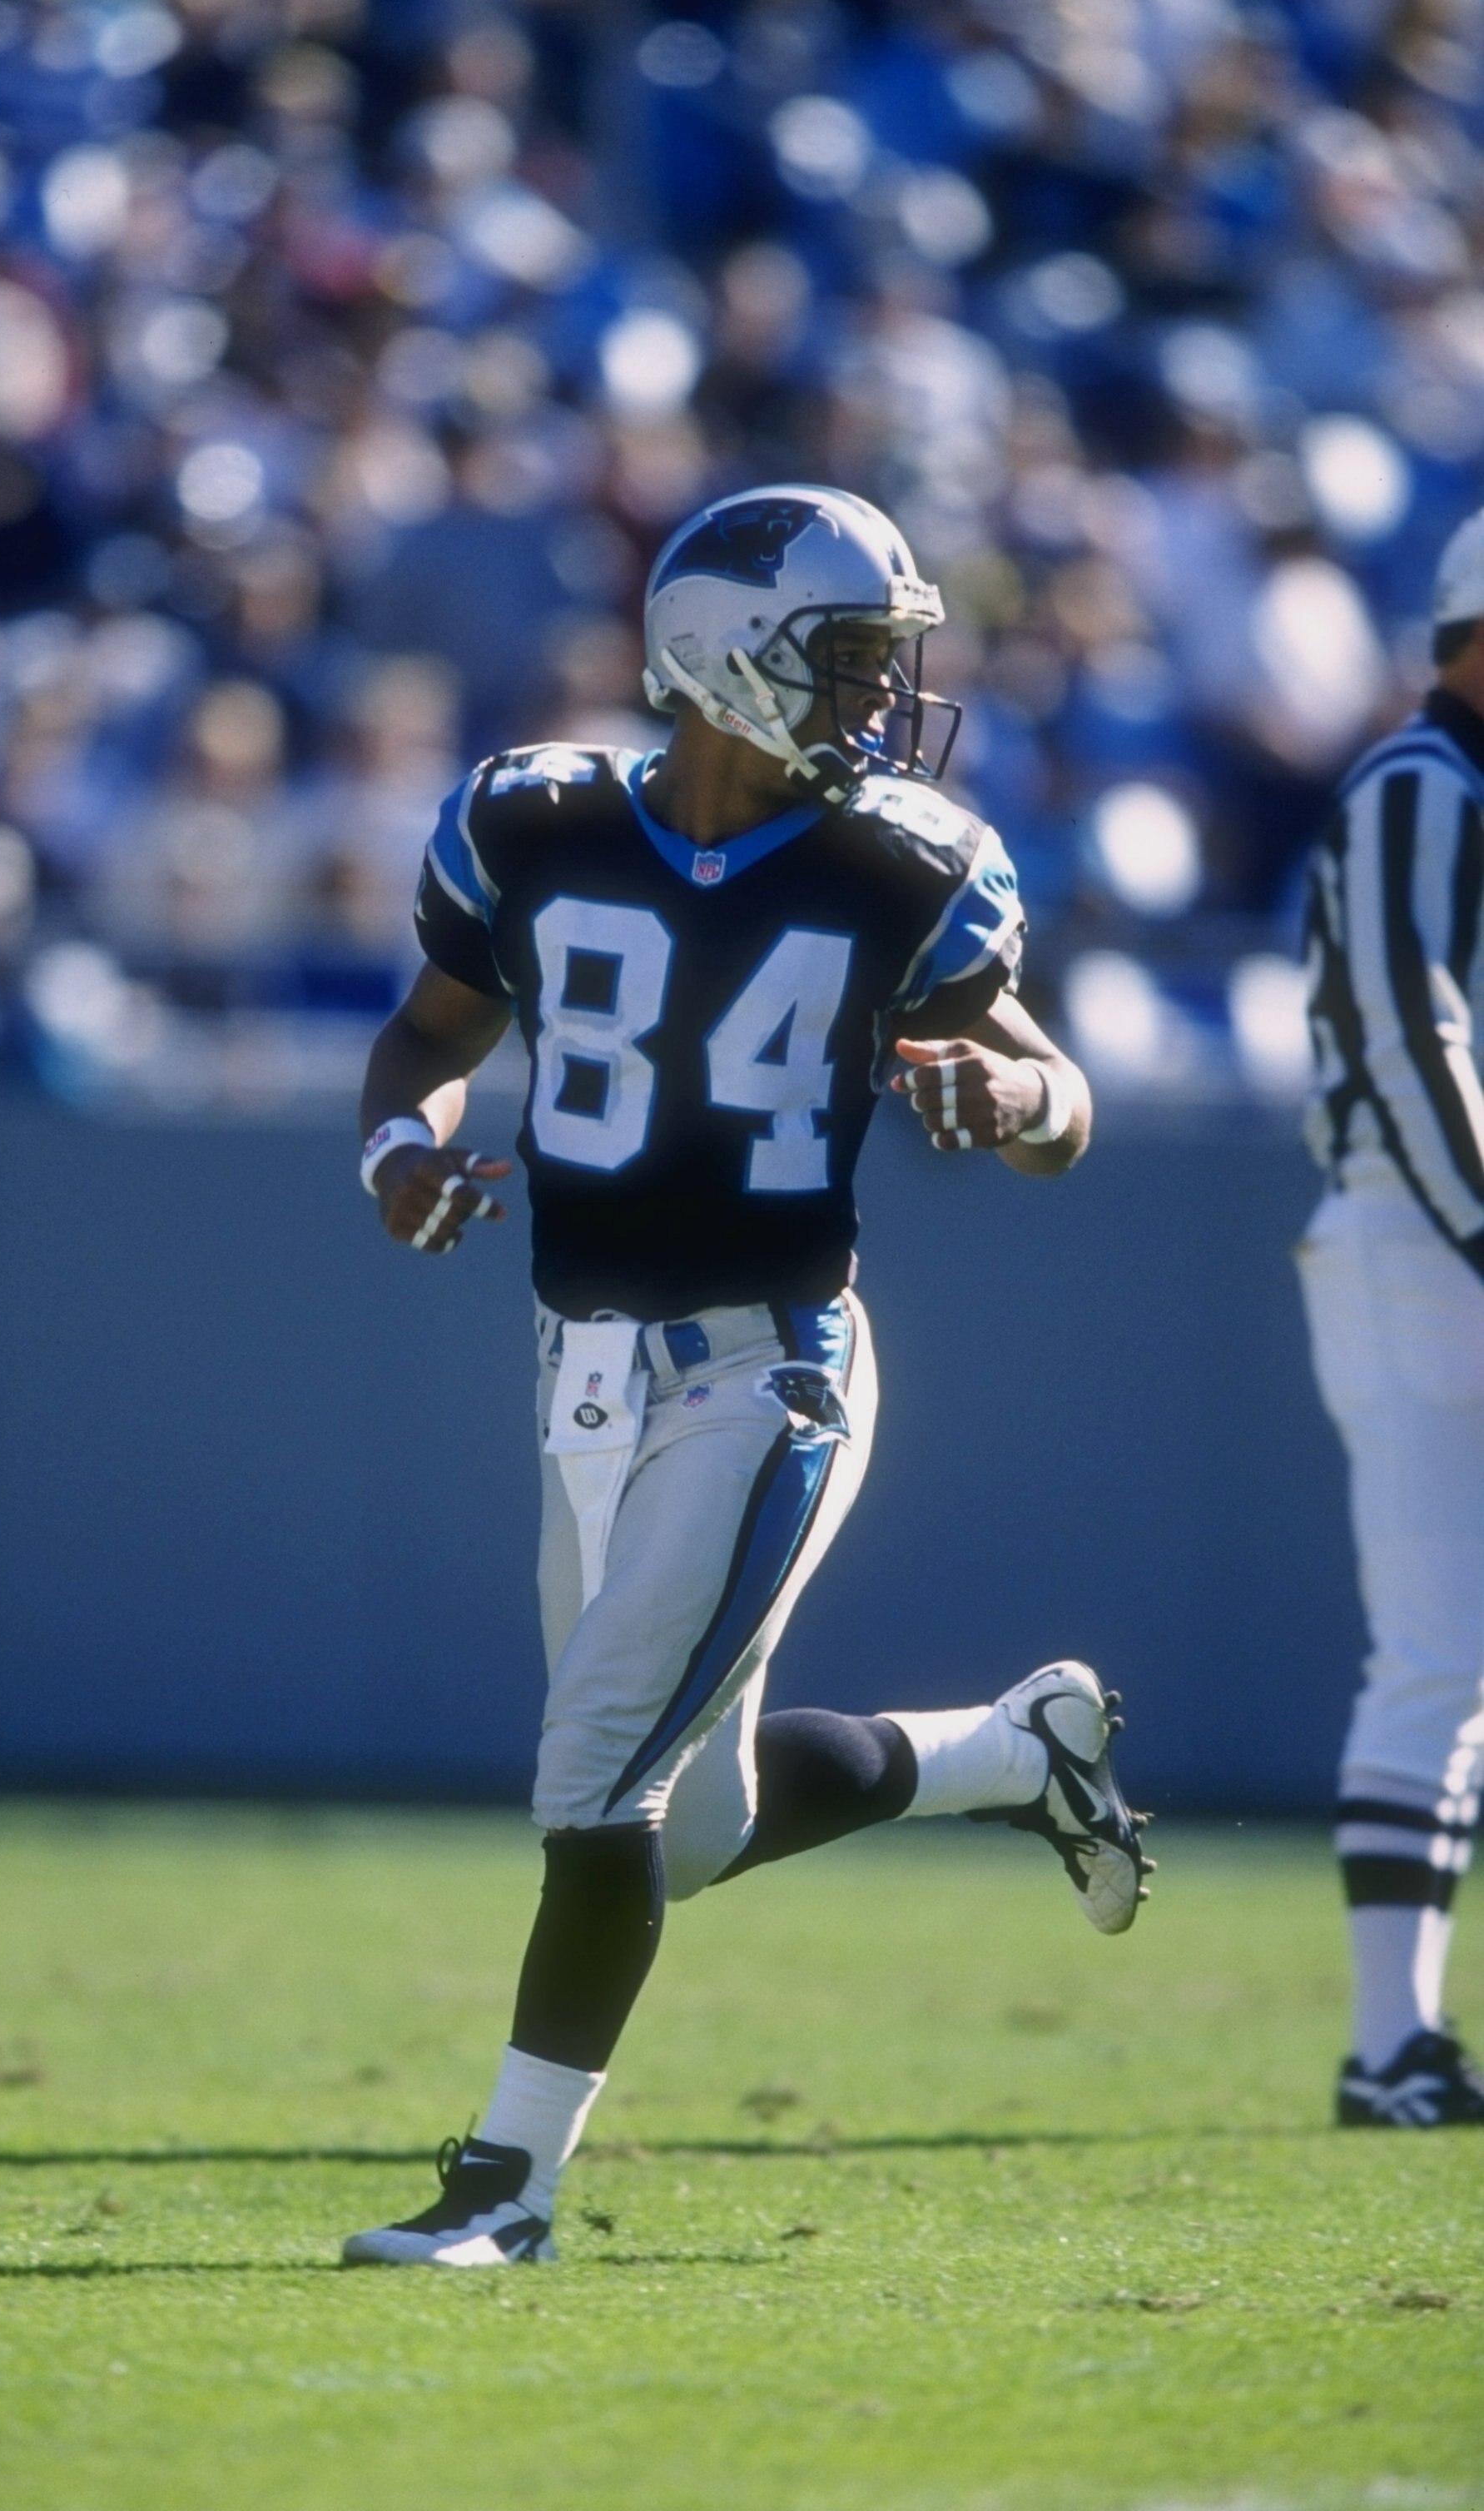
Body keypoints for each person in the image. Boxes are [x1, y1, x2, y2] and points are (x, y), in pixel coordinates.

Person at [344, 486, 1152, 2267]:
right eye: (852, 658)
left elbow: (1062, 1101)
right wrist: (399, 1145)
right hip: (581, 1375)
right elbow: (427, 1031)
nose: (885, 697)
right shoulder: (529, 818)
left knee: (593, 1781)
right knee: (682, 1828)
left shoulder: (906, 859)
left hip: (771, 1370)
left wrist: (1009, 1101)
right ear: (727, 661)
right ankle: (1015, 1754)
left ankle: (507, 2189)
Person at [1301, 508, 1484, 2128]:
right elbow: (1417, 1041)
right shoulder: (1419, 786)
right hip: (1421, 1241)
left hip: (1438, 1236)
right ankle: (1388, 2043)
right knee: (1438, 1650)